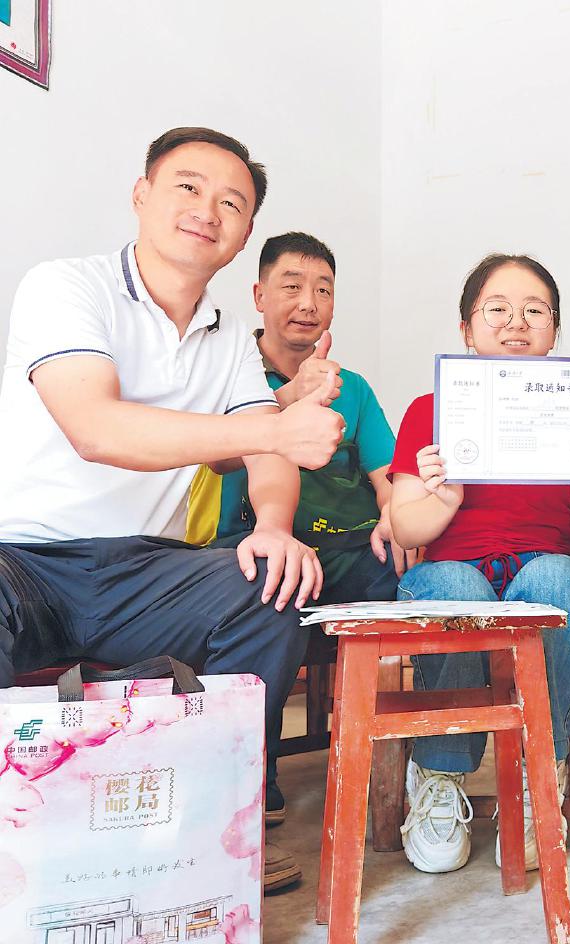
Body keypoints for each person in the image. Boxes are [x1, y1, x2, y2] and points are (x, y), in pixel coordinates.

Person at [0, 127, 345, 894]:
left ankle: (210, 837)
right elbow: (96, 428)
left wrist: (274, 527)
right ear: (142, 194)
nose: (207, 210)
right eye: (188, 187)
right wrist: (271, 429)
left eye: (232, 202)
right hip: (20, 558)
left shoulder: (227, 340)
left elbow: (265, 451)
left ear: (244, 234)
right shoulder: (67, 287)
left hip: (142, 568)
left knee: (271, 586)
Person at [387, 253, 570, 874]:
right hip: (452, 567)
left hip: (545, 568)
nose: (516, 323)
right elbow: (405, 527)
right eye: (497, 309)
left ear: (554, 330)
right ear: (467, 329)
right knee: (455, 584)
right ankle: (439, 777)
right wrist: (444, 497)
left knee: (558, 578)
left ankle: (537, 776)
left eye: (535, 310)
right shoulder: (429, 408)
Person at [187, 231, 406, 616]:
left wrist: (394, 514)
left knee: (406, 561)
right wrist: (289, 397)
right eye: (292, 287)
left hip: (347, 549)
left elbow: (387, 475)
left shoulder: (352, 387)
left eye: (323, 291)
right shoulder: (226, 373)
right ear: (259, 296)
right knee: (259, 578)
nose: (308, 304)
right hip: (251, 545)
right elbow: (216, 457)